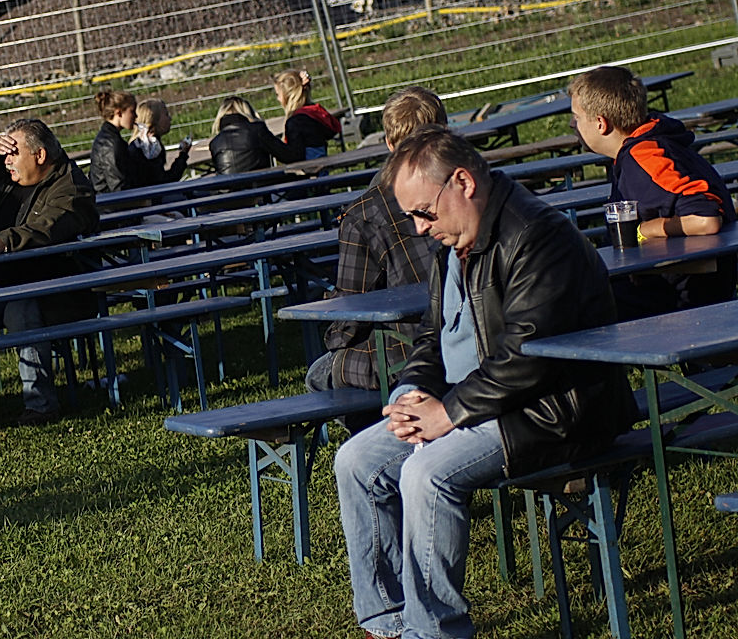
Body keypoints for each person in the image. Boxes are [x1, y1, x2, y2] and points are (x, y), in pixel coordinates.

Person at [333, 126, 636, 639]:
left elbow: (530, 355)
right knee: (356, 461)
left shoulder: (537, 235)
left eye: (423, 212)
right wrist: (410, 394)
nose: (419, 228)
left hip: (553, 411)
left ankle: (436, 632)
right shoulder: (454, 240)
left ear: (463, 182)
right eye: (410, 217)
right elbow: (432, 334)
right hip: (478, 401)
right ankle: (386, 622)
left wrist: (446, 414)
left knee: (424, 474)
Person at [305, 88, 447, 430]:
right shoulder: (471, 183)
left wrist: (335, 341)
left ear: (388, 144)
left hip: (407, 350)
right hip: (472, 333)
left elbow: (351, 310)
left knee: (318, 374)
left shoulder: (366, 212)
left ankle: (380, 440)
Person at [0, 118, 100, 425]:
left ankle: (40, 405)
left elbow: (48, 228)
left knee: (20, 312)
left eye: (12, 154)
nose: (6, 161)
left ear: (40, 155)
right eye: (4, 154)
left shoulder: (72, 187)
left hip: (54, 288)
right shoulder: (7, 173)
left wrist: (1, 242)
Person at [569, 65, 736, 318]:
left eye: (577, 117)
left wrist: (646, 229)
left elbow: (705, 220)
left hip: (686, 294)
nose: (573, 124)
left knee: (577, 308)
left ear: (601, 123)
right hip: (678, 282)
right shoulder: (646, 144)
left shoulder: (645, 156)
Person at [208, 96, 297, 175]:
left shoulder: (215, 142)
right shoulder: (257, 130)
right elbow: (287, 155)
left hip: (229, 191)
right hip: (261, 188)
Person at [274, 69, 342, 161]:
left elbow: (294, 155)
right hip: (322, 167)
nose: (277, 99)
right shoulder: (314, 113)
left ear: (288, 95)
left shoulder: (296, 122)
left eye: (278, 94)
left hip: (309, 170)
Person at [128, 98, 192, 187]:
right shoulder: (148, 149)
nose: (170, 118)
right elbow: (165, 181)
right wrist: (183, 155)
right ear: (153, 120)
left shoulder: (144, 144)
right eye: (166, 114)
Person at [89, 89, 139, 193]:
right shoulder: (110, 144)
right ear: (119, 113)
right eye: (132, 111)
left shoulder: (109, 138)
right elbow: (119, 188)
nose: (136, 116)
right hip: (110, 205)